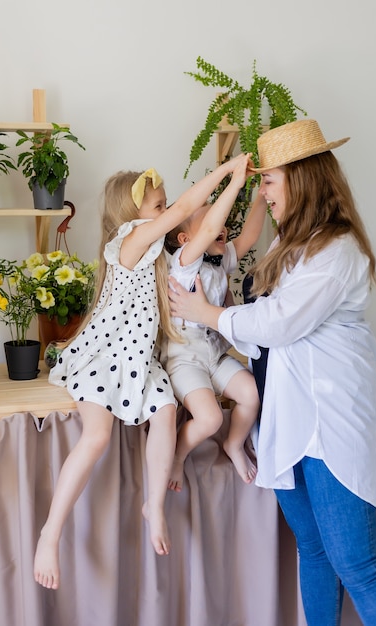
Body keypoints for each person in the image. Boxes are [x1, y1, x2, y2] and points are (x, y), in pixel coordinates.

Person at [168, 119, 376, 625]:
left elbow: (280, 321)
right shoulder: (288, 244)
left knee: (358, 565)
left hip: (329, 422)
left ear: (300, 179)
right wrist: (212, 316)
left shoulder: (337, 250)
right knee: (314, 553)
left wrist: (205, 313)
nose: (264, 192)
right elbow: (255, 328)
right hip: (289, 415)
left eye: (268, 181)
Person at [33, 155, 252, 590]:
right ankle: (50, 532)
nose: (167, 212)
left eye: (164, 205)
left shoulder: (158, 254)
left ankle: (154, 505)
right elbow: (187, 212)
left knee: (166, 413)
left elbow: (207, 233)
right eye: (158, 206)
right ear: (134, 216)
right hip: (105, 356)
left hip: (138, 361)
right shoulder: (129, 240)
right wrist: (228, 175)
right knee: (96, 436)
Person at [162, 165, 267, 491]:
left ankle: (234, 443)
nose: (219, 225)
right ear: (185, 239)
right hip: (185, 357)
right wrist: (235, 181)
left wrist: (262, 192)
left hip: (215, 351)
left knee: (252, 394)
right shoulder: (184, 263)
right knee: (210, 418)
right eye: (212, 220)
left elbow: (249, 237)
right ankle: (178, 454)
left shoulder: (221, 256)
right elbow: (207, 231)